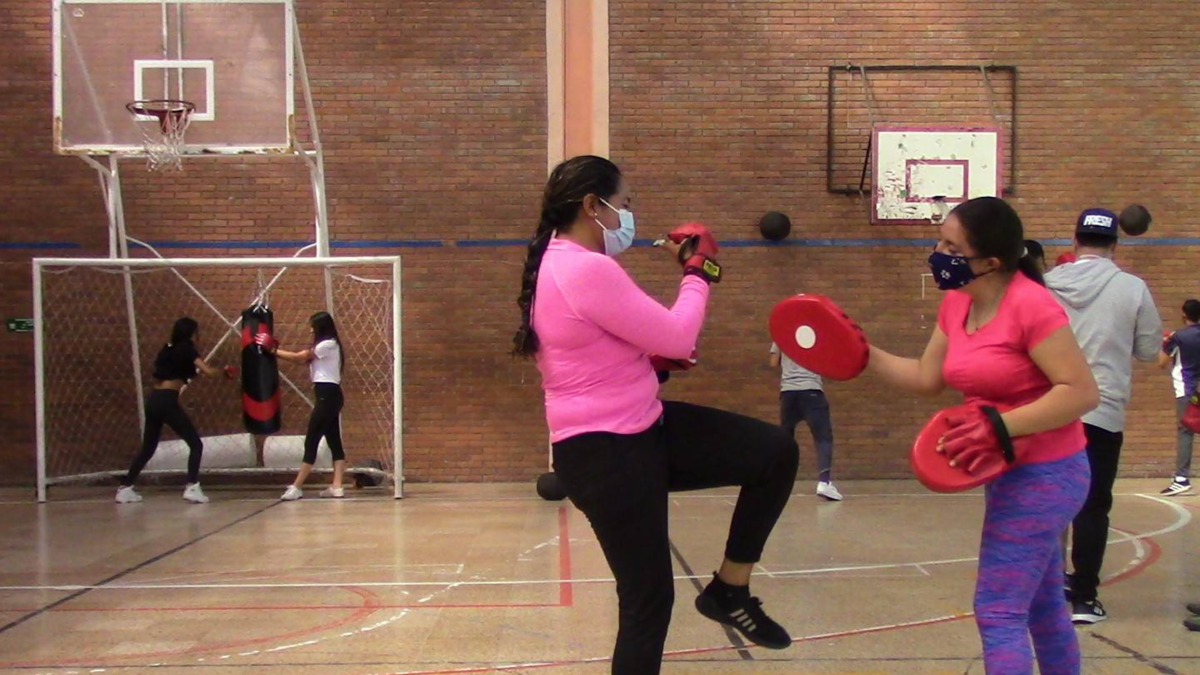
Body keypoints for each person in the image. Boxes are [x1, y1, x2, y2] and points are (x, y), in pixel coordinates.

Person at [513, 155, 799, 675]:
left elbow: (596, 351)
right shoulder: (584, 267)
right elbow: (678, 336)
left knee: (774, 452)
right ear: (592, 206)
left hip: (643, 425)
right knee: (648, 602)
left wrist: (649, 363)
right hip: (606, 452)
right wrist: (697, 272)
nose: (627, 215)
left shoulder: (559, 262)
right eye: (623, 204)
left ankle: (729, 590)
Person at [867, 197, 1098, 674]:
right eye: (940, 241)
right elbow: (927, 377)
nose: (938, 254)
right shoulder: (958, 302)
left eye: (952, 248)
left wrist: (998, 424)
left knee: (998, 609)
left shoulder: (1031, 306)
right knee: (1042, 606)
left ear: (990, 262)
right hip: (1004, 469)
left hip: (1049, 473)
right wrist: (858, 352)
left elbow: (1081, 392)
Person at [1044, 208, 1162, 624]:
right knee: (1093, 505)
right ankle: (1085, 598)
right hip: (1101, 409)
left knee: (1050, 501)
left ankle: (1049, 584)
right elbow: (1148, 350)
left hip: (1050, 408)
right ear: (1115, 245)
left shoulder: (1047, 284)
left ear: (1075, 241)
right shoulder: (1132, 287)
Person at [116, 317, 235, 504]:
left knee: (148, 448)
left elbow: (172, 371)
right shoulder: (188, 348)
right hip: (167, 401)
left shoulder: (168, 348)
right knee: (195, 444)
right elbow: (208, 371)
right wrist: (224, 372)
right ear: (192, 333)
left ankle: (125, 488)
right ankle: (192, 486)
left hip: (154, 400)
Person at [257, 312, 348, 501]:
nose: (311, 330)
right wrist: (276, 350)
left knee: (311, 440)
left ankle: (297, 486)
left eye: (313, 326)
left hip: (327, 395)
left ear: (321, 327)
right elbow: (301, 360)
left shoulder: (327, 344)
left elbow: (299, 357)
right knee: (334, 440)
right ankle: (337, 486)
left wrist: (272, 350)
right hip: (329, 395)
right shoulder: (328, 346)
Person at [769, 343, 841, 500]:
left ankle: (778, 483)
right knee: (823, 438)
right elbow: (826, 361)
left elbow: (773, 362)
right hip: (811, 391)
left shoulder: (781, 334)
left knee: (786, 439)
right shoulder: (817, 333)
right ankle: (824, 482)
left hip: (788, 393)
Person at [1159, 299, 1200, 496]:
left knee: (1185, 431)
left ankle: (1181, 479)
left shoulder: (1178, 337)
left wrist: (1165, 343)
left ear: (1184, 314)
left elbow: (1161, 362)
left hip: (1186, 388)